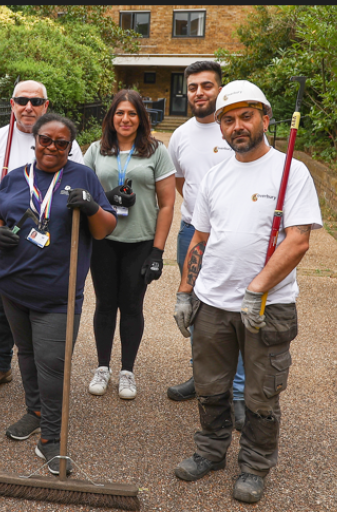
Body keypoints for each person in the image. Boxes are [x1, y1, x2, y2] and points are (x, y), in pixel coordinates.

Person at [172, 80, 321, 503]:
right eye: (228, 119)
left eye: (246, 115)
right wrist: (186, 291)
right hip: (212, 304)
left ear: (265, 118)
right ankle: (210, 452)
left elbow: (298, 240)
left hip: (267, 307)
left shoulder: (290, 169)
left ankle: (255, 465)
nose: (238, 125)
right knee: (210, 386)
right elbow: (199, 238)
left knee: (260, 394)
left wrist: (257, 289)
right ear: (220, 127)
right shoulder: (216, 175)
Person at [0, 113, 116, 475]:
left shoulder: (82, 176)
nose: (52, 147)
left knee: (54, 365)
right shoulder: (15, 178)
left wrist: (90, 206)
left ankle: (51, 439)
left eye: (61, 143)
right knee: (25, 353)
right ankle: (36, 411)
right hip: (12, 285)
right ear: (35, 139)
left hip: (58, 293)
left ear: (70, 146)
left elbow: (105, 229)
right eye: (46, 140)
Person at [0, 80, 85, 395]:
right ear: (12, 104)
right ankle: (0, 366)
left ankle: (40, 371)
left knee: (43, 312)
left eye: (36, 101)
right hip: (4, 239)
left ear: (46, 106)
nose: (28, 107)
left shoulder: (63, 140)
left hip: (50, 246)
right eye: (22, 100)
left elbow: (81, 188)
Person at [166, 61, 248, 430]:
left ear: (219, 89)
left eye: (207, 86)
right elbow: (184, 184)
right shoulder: (180, 135)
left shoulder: (233, 129)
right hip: (192, 232)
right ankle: (202, 377)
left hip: (236, 236)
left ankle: (241, 391)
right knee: (196, 308)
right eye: (193, 87)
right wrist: (203, 216)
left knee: (240, 309)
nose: (199, 92)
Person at [84, 89, 176, 400]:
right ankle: (102, 367)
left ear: (141, 118)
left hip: (140, 241)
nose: (125, 119)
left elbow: (166, 204)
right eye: (120, 113)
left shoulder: (156, 152)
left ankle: (127, 371)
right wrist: (106, 198)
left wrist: (157, 252)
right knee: (105, 305)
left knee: (132, 306)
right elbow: (83, 193)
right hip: (104, 240)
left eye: (132, 113)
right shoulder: (97, 150)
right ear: (111, 117)